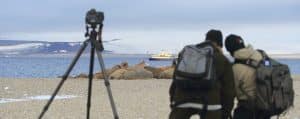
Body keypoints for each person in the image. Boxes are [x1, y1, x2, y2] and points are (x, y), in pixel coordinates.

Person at [169, 29, 235, 119]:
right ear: (219, 44)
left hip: (181, 99)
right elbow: (229, 90)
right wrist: (225, 113)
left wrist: (173, 103)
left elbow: (175, 80)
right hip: (210, 103)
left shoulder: (188, 54)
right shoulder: (221, 58)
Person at [225, 34, 271, 119]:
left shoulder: (234, 69)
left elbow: (230, 94)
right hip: (265, 108)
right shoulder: (261, 55)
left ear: (230, 51)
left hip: (246, 110)